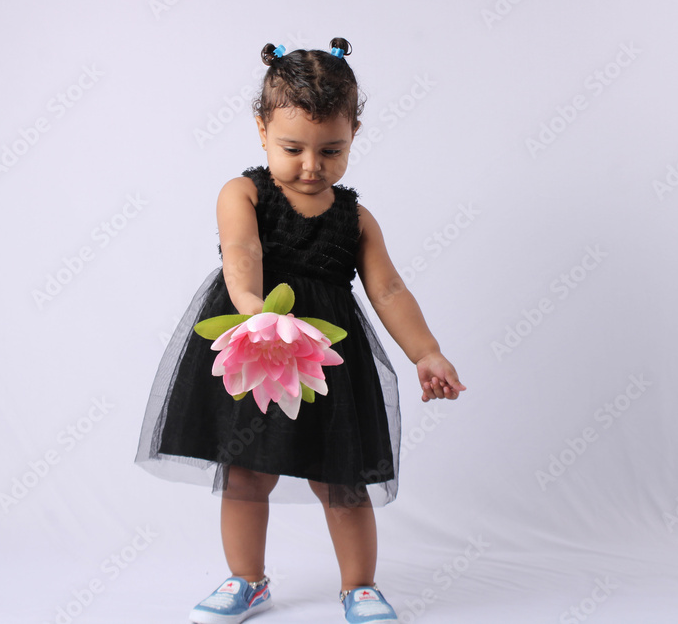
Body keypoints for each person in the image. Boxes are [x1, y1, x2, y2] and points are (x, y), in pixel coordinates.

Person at [135, 37, 466, 624]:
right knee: (245, 471)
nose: (312, 166)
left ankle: (359, 586)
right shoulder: (244, 192)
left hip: (326, 361)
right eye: (293, 148)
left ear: (353, 136)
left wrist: (427, 351)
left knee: (342, 479)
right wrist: (253, 310)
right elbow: (242, 251)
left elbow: (389, 290)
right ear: (262, 130)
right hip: (256, 350)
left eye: (331, 151)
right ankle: (247, 580)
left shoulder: (355, 218)